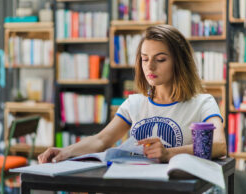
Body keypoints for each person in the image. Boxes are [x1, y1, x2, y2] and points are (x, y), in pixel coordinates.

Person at [38, 25, 227, 164]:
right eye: (145, 59)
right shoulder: (134, 103)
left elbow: (219, 145)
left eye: (160, 59)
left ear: (180, 62)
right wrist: (64, 151)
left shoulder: (203, 103)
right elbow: (101, 139)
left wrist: (169, 153)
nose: (150, 67)